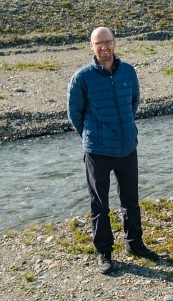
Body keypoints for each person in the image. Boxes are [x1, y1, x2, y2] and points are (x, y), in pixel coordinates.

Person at [68, 27, 160, 274]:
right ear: (91, 46)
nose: (104, 48)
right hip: (97, 150)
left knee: (131, 200)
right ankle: (104, 253)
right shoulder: (82, 78)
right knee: (99, 204)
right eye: (99, 44)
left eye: (108, 42)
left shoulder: (128, 71)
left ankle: (135, 244)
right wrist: (91, 134)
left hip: (127, 147)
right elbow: (74, 114)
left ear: (115, 44)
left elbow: (134, 102)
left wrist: (124, 130)